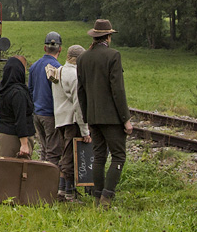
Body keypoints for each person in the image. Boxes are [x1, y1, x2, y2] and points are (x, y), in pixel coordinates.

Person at [76, 19, 132, 208]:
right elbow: (118, 90)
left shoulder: (83, 58)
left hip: (92, 116)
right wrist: (126, 119)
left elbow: (81, 91)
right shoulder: (113, 55)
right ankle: (107, 197)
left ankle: (97, 196)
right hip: (112, 117)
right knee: (118, 156)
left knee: (99, 156)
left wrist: (86, 116)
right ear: (108, 37)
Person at [47, 44, 90, 202]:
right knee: (70, 157)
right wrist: (85, 131)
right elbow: (78, 105)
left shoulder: (59, 71)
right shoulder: (75, 75)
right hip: (72, 121)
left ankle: (61, 189)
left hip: (60, 119)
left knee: (65, 154)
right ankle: (69, 193)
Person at [27, 31, 63, 165]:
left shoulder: (34, 66)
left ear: (44, 48)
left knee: (44, 148)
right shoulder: (58, 68)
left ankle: (40, 178)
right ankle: (49, 182)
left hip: (37, 113)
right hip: (50, 114)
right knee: (53, 151)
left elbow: (30, 90)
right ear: (60, 49)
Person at [0, 55, 34, 158]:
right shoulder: (18, 93)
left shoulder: (3, 90)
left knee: (4, 169)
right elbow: (21, 119)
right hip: (14, 139)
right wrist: (24, 144)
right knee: (16, 171)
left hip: (3, 134)